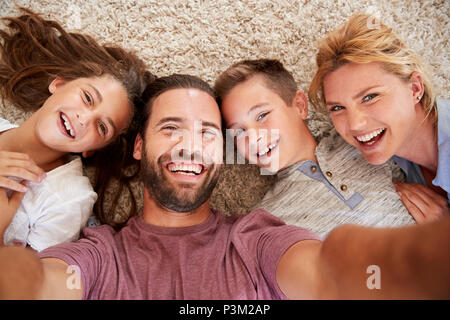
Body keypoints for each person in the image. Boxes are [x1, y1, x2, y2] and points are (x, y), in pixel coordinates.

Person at [0, 74, 449, 300]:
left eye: (208, 133)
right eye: (172, 127)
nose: (190, 147)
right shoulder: (99, 252)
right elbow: (45, 282)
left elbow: (326, 269)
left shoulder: (256, 238)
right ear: (138, 146)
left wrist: (404, 262)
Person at [0, 9, 153, 251]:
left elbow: (24, 285)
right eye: (88, 98)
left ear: (93, 149)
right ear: (58, 84)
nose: (84, 118)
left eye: (102, 127)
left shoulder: (70, 198)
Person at [214, 59, 414, 238]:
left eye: (262, 116)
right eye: (239, 131)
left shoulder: (362, 141)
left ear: (300, 106)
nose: (254, 138)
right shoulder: (265, 223)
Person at [308, 14, 449, 223]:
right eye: (338, 107)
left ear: (415, 88)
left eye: (370, 97)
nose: (355, 124)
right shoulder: (394, 162)